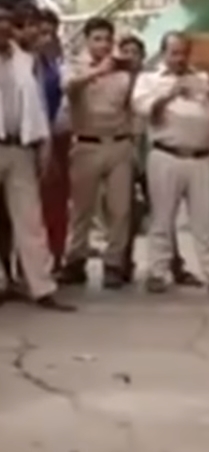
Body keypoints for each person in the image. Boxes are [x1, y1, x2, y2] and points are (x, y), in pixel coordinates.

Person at [131, 31, 209, 294]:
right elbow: (146, 112)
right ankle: (157, 272)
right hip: (166, 154)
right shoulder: (149, 80)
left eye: (184, 53)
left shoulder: (203, 78)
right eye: (174, 53)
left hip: (201, 157)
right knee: (162, 218)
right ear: (164, 53)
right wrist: (170, 93)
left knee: (205, 221)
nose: (179, 59)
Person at [0, 0, 72, 310]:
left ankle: (41, 287)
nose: (3, 27)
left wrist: (43, 144)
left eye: (7, 22)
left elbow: (37, 105)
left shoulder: (24, 61)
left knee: (30, 219)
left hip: (21, 147)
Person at [58, 16, 134, 289]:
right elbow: (67, 87)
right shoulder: (74, 67)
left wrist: (125, 69)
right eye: (97, 39)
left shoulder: (123, 71)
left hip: (118, 143)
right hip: (86, 144)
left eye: (107, 39)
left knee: (120, 209)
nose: (103, 45)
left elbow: (131, 104)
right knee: (81, 209)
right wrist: (97, 72)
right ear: (87, 41)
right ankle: (75, 260)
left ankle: (114, 263)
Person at [118, 34, 198, 286]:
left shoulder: (152, 81)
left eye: (135, 51)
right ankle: (122, 262)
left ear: (144, 56)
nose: (130, 56)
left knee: (163, 210)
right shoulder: (115, 80)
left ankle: (173, 264)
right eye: (126, 51)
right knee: (125, 210)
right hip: (124, 146)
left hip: (152, 146)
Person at [34, 7, 67, 274]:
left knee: (54, 204)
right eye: (41, 32)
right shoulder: (23, 64)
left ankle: (54, 257)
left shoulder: (56, 65)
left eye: (51, 33)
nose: (46, 38)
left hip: (57, 139)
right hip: (30, 140)